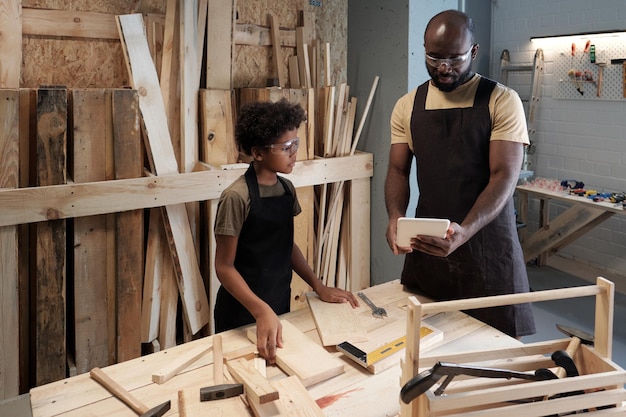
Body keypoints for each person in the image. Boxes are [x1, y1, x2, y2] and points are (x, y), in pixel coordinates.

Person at [384, 10, 535, 338]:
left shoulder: (502, 101)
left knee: (495, 354)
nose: (443, 67)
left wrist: (465, 231)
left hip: (488, 248)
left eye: (454, 58)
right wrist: (396, 216)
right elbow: (397, 170)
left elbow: (504, 176)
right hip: (430, 247)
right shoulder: (407, 106)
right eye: (434, 57)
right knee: (427, 344)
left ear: (474, 52)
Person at [214, 98, 359, 363]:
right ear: (258, 153)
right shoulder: (236, 197)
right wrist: (260, 310)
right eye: (285, 147)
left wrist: (318, 285)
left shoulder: (286, 189)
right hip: (241, 311)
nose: (294, 152)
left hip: (277, 302)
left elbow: (286, 245)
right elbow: (224, 267)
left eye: (296, 144)